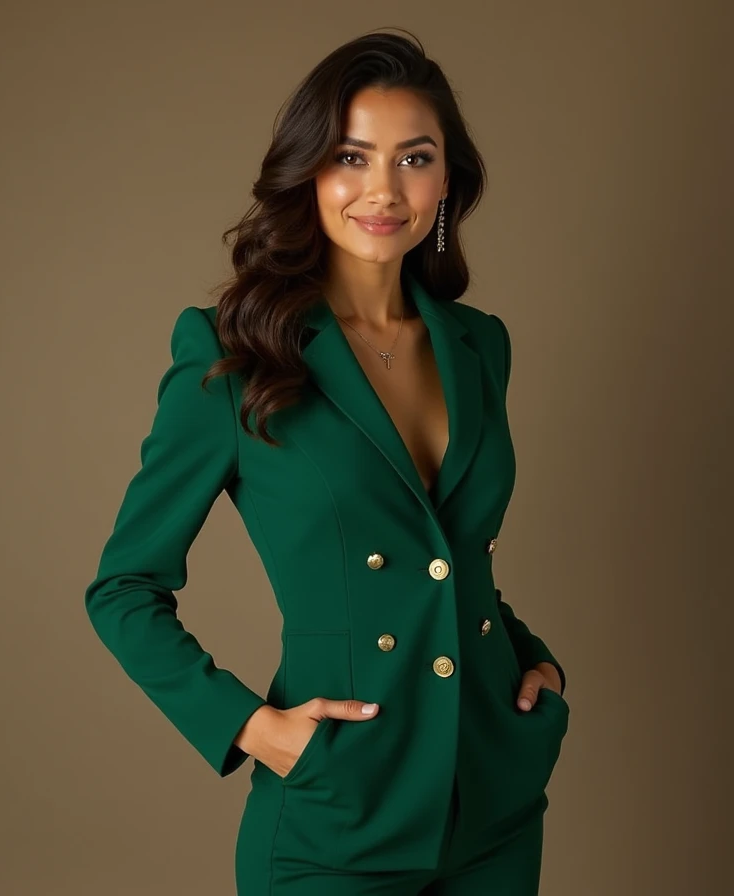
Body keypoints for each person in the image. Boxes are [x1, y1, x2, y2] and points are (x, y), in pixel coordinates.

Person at [83, 28, 569, 895]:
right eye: (352, 155)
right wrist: (252, 728)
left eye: (414, 158)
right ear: (308, 172)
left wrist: (535, 660)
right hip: (339, 812)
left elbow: (447, 556)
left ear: (446, 181)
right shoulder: (233, 354)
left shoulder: (478, 346)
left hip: (491, 803)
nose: (383, 189)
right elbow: (124, 588)